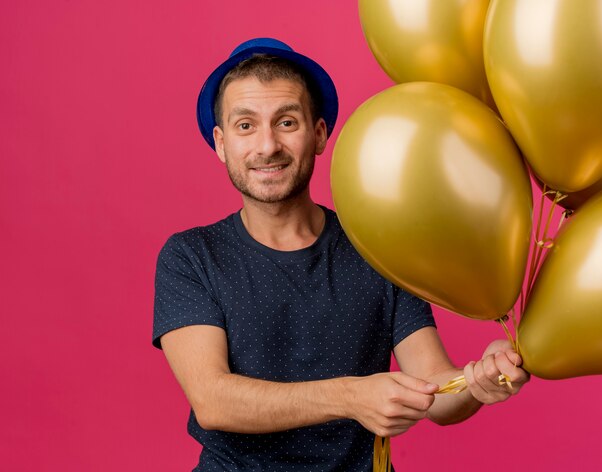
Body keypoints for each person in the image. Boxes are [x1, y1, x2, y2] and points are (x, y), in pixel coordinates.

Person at [153, 37, 529, 471]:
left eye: (287, 122)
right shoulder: (192, 256)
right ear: (221, 144)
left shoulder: (376, 245)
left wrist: (477, 381)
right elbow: (214, 402)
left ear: (319, 134)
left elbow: (435, 389)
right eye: (245, 126)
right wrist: (351, 396)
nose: (267, 146)